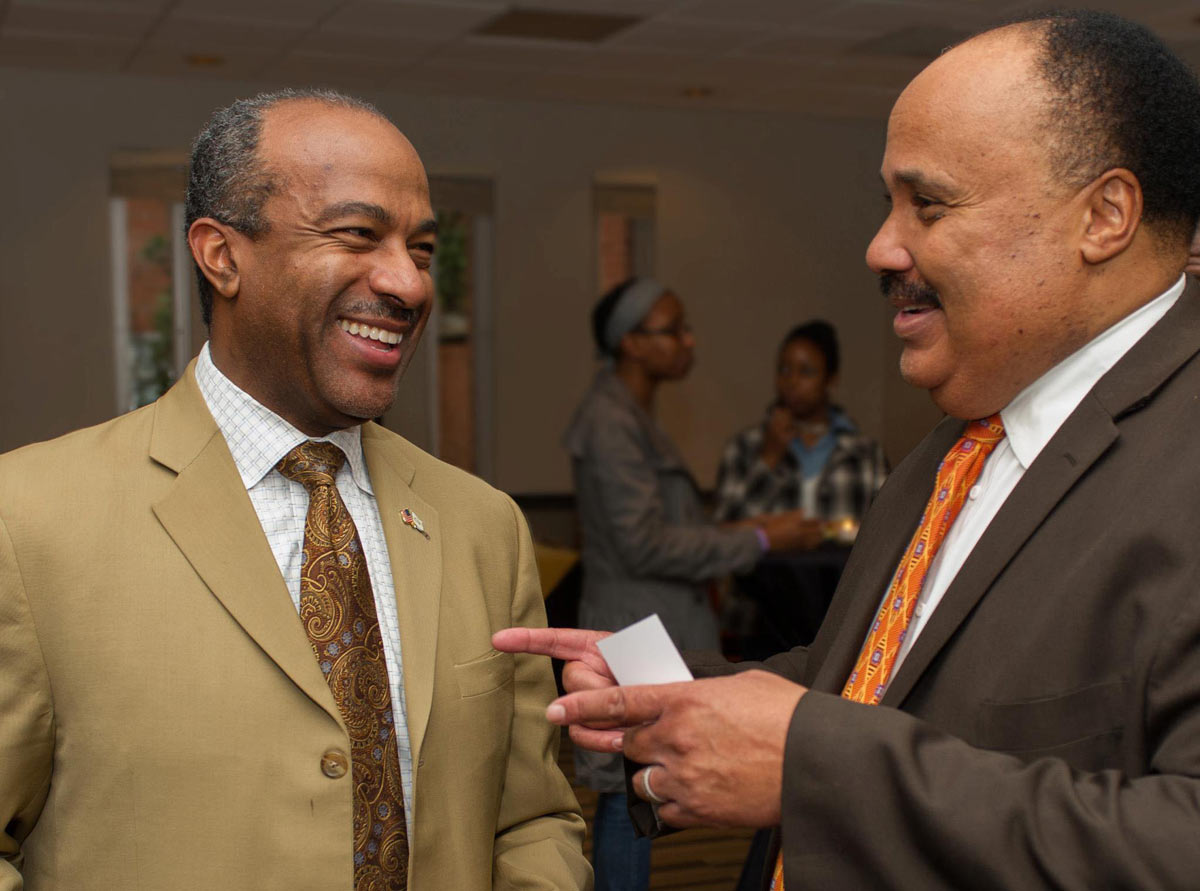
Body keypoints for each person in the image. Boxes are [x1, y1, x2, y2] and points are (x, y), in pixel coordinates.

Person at [496, 10, 1200, 889]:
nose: (881, 246)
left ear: (1104, 216)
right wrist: (677, 687)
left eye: (929, 204)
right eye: (888, 204)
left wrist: (811, 764)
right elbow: (880, 678)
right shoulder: (956, 446)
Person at [0, 89, 589, 890]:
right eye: (357, 234)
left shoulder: (485, 527)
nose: (408, 285)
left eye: (419, 249)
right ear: (221, 255)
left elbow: (532, 816)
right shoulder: (27, 519)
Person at [563, 277, 819, 891]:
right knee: (636, 800)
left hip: (650, 625)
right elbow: (644, 543)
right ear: (631, 344)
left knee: (637, 800)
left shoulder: (629, 414)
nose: (688, 340)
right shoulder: (609, 421)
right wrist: (759, 540)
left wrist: (757, 526)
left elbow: (668, 526)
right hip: (635, 628)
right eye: (672, 329)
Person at [713, 320, 887, 528]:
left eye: (806, 372)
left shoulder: (866, 454)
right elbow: (723, 535)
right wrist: (769, 458)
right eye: (784, 370)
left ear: (831, 380)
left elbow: (886, 534)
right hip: (769, 561)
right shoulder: (744, 447)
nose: (792, 381)